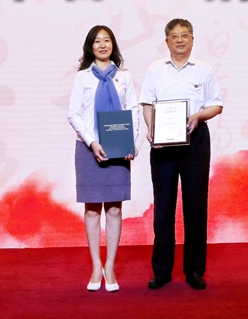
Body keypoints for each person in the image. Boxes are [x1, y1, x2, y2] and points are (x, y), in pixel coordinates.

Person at [139, 18, 223, 290]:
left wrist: (198, 116)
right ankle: (162, 271)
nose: (179, 40)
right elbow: (147, 103)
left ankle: (194, 270)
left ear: (192, 40)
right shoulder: (155, 69)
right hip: (163, 144)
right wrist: (152, 130)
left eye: (184, 35)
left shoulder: (204, 70)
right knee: (163, 207)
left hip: (195, 141)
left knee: (195, 206)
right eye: (174, 36)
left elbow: (216, 105)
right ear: (167, 41)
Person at [68, 25, 139, 292]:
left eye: (106, 40)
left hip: (118, 149)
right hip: (89, 149)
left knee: (114, 209)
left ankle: (110, 266)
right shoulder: (82, 78)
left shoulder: (124, 77)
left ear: (113, 45)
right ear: (90, 46)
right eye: (97, 41)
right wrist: (92, 141)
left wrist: (130, 141)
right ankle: (96, 266)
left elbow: (133, 110)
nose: (102, 45)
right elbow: (73, 114)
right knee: (91, 209)